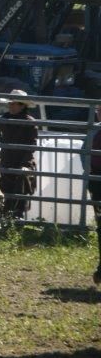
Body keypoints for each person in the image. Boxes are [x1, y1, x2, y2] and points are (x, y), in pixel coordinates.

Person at [0, 89, 38, 220]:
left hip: (24, 161)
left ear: (22, 105)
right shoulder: (5, 118)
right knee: (2, 187)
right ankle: (4, 216)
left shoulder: (30, 122)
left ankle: (18, 215)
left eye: (14, 103)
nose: (10, 106)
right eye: (10, 103)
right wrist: (3, 143)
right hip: (7, 159)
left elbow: (32, 145)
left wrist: (23, 162)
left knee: (21, 182)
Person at [82, 103, 101, 286]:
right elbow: (84, 155)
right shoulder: (94, 133)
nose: (98, 113)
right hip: (96, 181)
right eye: (98, 110)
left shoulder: (94, 133)